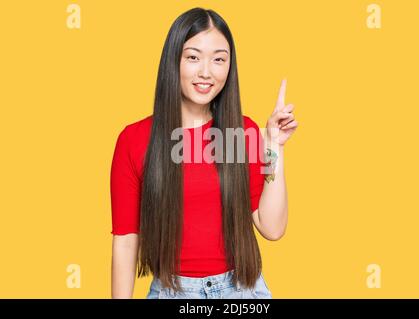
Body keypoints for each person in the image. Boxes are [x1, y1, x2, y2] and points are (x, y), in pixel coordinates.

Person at [110, 7, 298, 299]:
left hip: (241, 292)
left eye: (219, 60)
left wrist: (274, 146)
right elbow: (125, 239)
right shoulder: (134, 140)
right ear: (174, 61)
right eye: (193, 57)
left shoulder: (242, 133)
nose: (206, 72)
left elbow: (271, 227)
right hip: (172, 292)